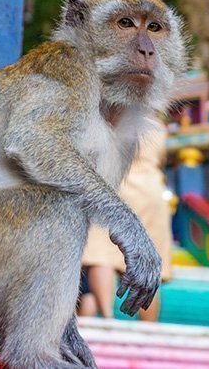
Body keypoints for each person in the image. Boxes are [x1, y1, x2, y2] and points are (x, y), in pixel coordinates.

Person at [78, 124, 172, 322]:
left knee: (102, 255)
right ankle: (149, 328)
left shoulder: (114, 118)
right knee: (147, 262)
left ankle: (108, 318)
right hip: (151, 191)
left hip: (116, 185)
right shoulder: (157, 127)